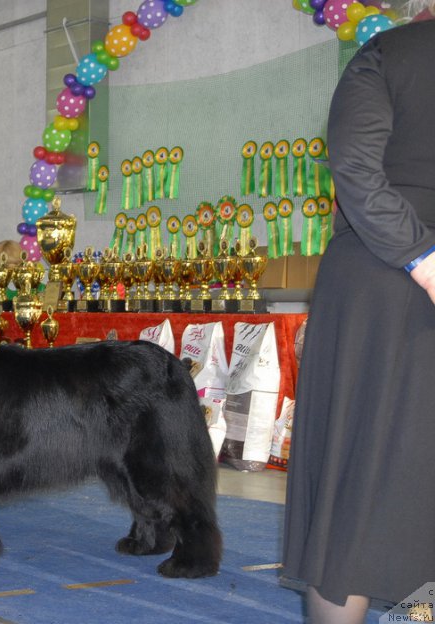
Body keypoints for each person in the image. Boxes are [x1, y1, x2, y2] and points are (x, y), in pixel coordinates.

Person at [282, 8, 435, 624]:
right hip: (393, 273)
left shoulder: (386, 54)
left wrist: (422, 257)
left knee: (352, 476)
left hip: (378, 277)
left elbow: (356, 167)